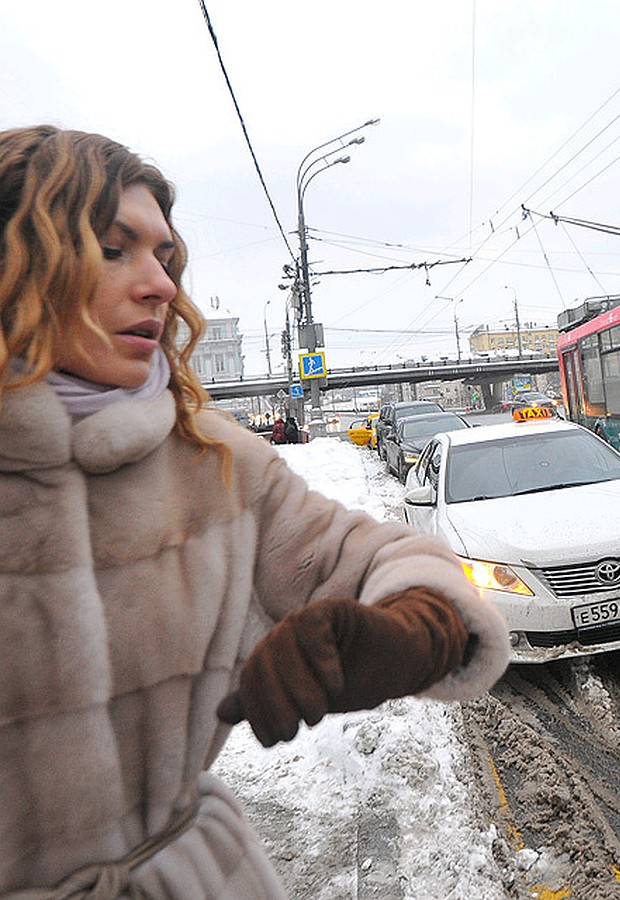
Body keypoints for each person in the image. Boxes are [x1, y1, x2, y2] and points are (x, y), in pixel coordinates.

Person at [0, 125, 509, 897]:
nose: (161, 285)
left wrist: (402, 632)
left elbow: (381, 559)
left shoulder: (209, 461)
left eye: (163, 256)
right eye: (114, 249)